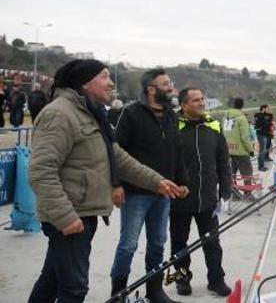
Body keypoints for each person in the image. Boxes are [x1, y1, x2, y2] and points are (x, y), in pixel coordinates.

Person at [27, 59, 183, 303]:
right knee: (74, 288)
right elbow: (41, 170)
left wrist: (156, 181)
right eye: (104, 77)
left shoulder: (91, 114)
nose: (111, 83)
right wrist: (65, 216)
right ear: (85, 84)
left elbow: (118, 158)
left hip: (82, 214)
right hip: (70, 216)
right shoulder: (59, 114)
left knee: (52, 279)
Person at [110, 68, 189, 303]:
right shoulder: (131, 113)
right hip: (135, 194)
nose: (171, 87)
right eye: (166, 84)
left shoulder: (171, 116)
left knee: (157, 243)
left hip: (163, 193)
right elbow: (116, 152)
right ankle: (118, 294)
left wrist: (182, 180)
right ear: (151, 89)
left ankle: (154, 291)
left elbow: (177, 150)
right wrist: (116, 184)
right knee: (128, 245)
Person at [170, 88, 233, 297]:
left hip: (208, 199)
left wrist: (225, 191)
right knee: (179, 243)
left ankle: (216, 280)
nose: (201, 103)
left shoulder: (213, 126)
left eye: (202, 99)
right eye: (196, 100)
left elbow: (224, 162)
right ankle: (182, 279)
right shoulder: (173, 127)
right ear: (184, 105)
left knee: (212, 242)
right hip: (179, 198)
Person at [223, 97, 255, 180]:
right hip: (241, 152)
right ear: (242, 106)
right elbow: (245, 137)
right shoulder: (241, 118)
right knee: (247, 175)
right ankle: (247, 193)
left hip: (229, 150)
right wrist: (250, 150)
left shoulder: (225, 117)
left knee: (231, 174)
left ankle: (233, 191)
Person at [253, 104, 274, 171]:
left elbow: (269, 120)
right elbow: (259, 123)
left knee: (267, 148)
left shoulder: (267, 115)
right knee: (262, 150)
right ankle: (260, 166)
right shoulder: (258, 115)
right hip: (261, 134)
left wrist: (269, 116)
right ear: (263, 109)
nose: (268, 110)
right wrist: (267, 122)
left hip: (267, 134)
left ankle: (266, 158)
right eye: (267, 108)